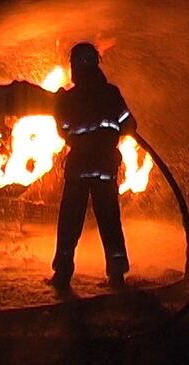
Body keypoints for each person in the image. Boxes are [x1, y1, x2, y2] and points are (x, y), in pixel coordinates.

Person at [50, 42, 137, 290]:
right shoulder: (112, 94)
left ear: (76, 67)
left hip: (79, 168)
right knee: (110, 221)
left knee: (69, 222)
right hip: (105, 167)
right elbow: (129, 125)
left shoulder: (70, 98)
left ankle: (62, 275)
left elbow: (64, 132)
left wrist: (59, 108)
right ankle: (117, 274)